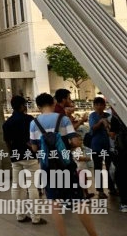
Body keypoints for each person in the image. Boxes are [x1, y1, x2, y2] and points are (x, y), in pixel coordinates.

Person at [30, 92, 99, 236]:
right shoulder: (63, 119)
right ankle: (93, 234)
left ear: (38, 106)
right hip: (66, 165)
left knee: (54, 203)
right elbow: (75, 142)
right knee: (78, 201)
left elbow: (35, 148)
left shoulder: (33, 123)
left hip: (47, 167)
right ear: (53, 103)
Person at [2, 95, 45, 225]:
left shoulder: (7, 123)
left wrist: (12, 154)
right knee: (32, 186)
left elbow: (7, 141)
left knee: (17, 186)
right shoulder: (30, 120)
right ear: (22, 106)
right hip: (30, 155)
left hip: (15, 156)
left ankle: (20, 215)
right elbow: (37, 137)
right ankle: (36, 218)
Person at [89, 96, 116, 198]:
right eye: (97, 105)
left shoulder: (108, 115)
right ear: (94, 106)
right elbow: (93, 128)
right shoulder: (92, 116)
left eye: (101, 104)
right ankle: (100, 191)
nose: (99, 107)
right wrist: (101, 122)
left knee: (110, 167)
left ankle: (112, 188)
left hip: (108, 146)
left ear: (104, 106)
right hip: (96, 146)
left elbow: (112, 129)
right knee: (98, 168)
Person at [109, 107, 127, 212]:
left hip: (122, 152)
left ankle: (124, 203)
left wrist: (107, 126)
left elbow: (112, 135)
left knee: (121, 176)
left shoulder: (116, 118)